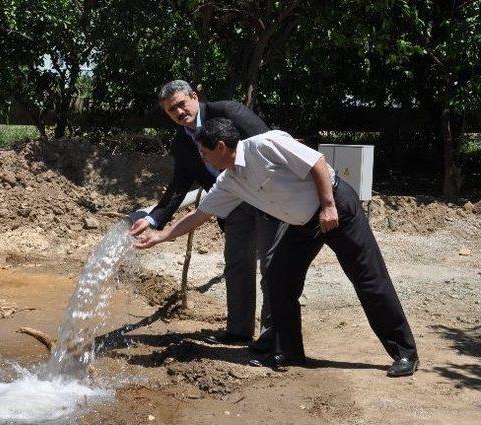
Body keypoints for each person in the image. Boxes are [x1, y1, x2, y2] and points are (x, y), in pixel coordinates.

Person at [135, 117, 419, 377]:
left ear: (221, 147)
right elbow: (200, 215)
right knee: (278, 281)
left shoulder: (265, 144)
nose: (202, 158)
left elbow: (317, 162)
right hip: (301, 224)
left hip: (335, 209)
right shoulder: (229, 181)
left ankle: (404, 353)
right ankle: (292, 354)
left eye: (204, 152)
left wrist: (328, 205)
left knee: (369, 278)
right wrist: (161, 236)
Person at [130, 80, 287, 346]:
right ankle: (238, 331)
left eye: (181, 104)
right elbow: (179, 187)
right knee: (236, 265)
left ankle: (273, 336)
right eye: (171, 110)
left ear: (194, 96)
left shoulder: (228, 112)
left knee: (272, 266)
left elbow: (266, 144)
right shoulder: (181, 144)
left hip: (265, 197)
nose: (179, 112)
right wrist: (152, 218)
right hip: (231, 206)